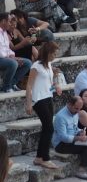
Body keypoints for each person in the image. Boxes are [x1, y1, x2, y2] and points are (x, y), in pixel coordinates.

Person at [52, 96, 87, 181]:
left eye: (80, 108)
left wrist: (80, 131)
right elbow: (63, 137)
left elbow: (74, 128)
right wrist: (78, 138)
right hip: (61, 144)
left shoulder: (75, 113)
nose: (78, 111)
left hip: (72, 140)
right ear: (69, 105)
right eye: (76, 108)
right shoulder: (61, 117)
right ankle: (81, 170)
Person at [24, 41, 59, 170]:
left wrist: (55, 85)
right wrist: (28, 103)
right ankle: (45, 158)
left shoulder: (49, 65)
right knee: (49, 127)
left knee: (48, 128)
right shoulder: (36, 66)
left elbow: (48, 82)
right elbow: (29, 85)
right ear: (48, 52)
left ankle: (39, 157)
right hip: (38, 99)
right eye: (54, 53)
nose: (55, 55)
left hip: (48, 97)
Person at [0, 14, 30, 93]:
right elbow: (1, 53)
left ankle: (11, 84)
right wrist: (13, 58)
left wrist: (14, 57)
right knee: (13, 63)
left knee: (27, 63)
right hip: (1, 58)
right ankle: (6, 87)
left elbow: (8, 49)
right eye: (9, 22)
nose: (11, 24)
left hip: (5, 58)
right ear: (3, 21)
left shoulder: (3, 33)